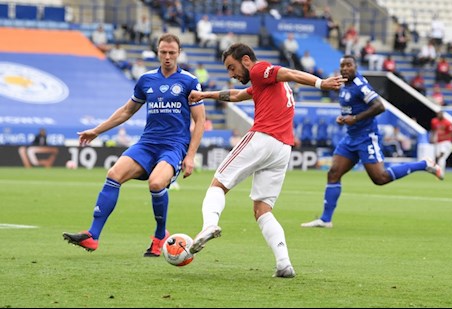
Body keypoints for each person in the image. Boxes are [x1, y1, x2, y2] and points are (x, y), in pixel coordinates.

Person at [187, 43, 346, 278]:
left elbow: (289, 73)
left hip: (263, 138)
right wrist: (204, 95)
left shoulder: (259, 69)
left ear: (247, 60)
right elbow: (237, 95)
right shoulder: (264, 83)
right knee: (262, 209)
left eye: (232, 67)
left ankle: (209, 225)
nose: (231, 74)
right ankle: (284, 264)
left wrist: (320, 83)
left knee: (218, 184)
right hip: (282, 149)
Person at [62, 34, 206, 257]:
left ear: (179, 53)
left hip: (174, 146)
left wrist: (190, 156)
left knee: (156, 183)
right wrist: (96, 130)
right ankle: (93, 236)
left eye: (172, 53)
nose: (167, 57)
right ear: (158, 52)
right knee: (114, 173)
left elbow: (199, 121)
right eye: (163, 52)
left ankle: (160, 236)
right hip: (147, 143)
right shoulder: (146, 80)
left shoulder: (189, 81)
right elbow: (127, 111)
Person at [301, 55, 444, 229]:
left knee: (380, 178)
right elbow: (351, 108)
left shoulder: (360, 86)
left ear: (356, 66)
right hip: (351, 137)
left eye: (349, 65)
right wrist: (344, 118)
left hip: (367, 137)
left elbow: (379, 106)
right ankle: (325, 219)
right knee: (333, 173)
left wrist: (355, 118)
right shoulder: (344, 85)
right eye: (342, 66)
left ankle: (423, 164)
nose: (345, 68)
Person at [430, 110, 452, 175]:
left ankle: (441, 172)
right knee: (437, 157)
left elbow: (451, 134)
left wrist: (441, 137)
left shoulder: (447, 123)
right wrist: (432, 138)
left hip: (446, 142)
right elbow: (433, 130)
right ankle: (437, 170)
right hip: (438, 142)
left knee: (442, 157)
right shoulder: (434, 121)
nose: (439, 116)